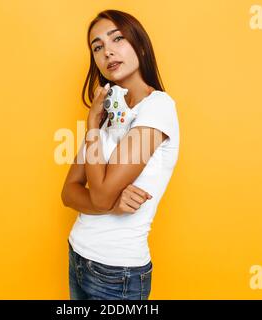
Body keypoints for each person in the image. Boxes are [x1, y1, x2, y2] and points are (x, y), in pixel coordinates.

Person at [61, 9, 180, 300]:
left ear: (140, 45)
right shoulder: (107, 114)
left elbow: (97, 196)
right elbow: (68, 192)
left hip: (117, 275)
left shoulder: (157, 108)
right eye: (98, 47)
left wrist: (90, 126)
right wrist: (112, 205)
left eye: (118, 39)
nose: (108, 52)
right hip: (78, 255)